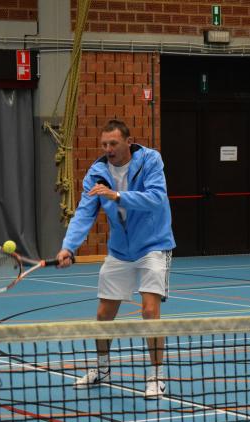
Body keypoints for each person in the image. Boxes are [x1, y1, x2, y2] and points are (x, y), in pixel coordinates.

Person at [56, 119, 175, 399]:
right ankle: (103, 368)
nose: (108, 149)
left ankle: (157, 375)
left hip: (153, 246)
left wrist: (117, 195)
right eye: (104, 144)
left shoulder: (150, 161)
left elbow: (156, 198)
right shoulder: (96, 174)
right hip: (120, 251)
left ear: (128, 142)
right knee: (103, 315)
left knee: (149, 311)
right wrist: (68, 248)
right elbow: (84, 213)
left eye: (113, 144)